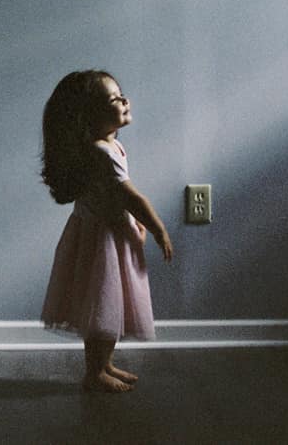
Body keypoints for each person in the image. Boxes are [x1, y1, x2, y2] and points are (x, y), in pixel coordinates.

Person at [40, 70, 173, 393]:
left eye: (121, 94)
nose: (124, 101)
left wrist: (134, 223)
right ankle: (94, 371)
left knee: (112, 305)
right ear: (89, 117)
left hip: (108, 232)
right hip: (102, 241)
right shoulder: (100, 152)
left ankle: (104, 363)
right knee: (102, 305)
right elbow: (131, 197)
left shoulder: (111, 146)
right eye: (114, 99)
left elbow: (115, 198)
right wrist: (158, 229)